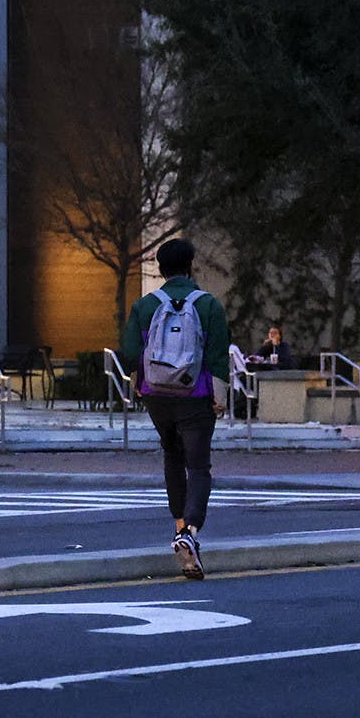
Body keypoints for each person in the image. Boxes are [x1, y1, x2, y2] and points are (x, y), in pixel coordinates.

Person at [121, 238, 230, 580]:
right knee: (198, 465)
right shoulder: (209, 305)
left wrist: (141, 381)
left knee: (172, 456)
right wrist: (220, 395)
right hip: (195, 395)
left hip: (157, 395)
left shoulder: (144, 306)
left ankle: (178, 524)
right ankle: (190, 532)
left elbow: (128, 353)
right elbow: (217, 356)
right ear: (190, 266)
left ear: (162, 268)